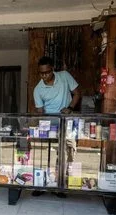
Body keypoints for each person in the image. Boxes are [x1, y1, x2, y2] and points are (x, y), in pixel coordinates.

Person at [32, 56, 82, 197]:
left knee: (66, 153)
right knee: (45, 153)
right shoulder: (38, 89)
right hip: (49, 125)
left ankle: (60, 185)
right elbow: (40, 112)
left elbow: (77, 93)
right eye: (41, 73)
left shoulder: (64, 76)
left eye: (47, 72)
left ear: (52, 69)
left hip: (67, 122)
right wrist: (38, 124)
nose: (44, 76)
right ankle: (42, 184)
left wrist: (70, 107)